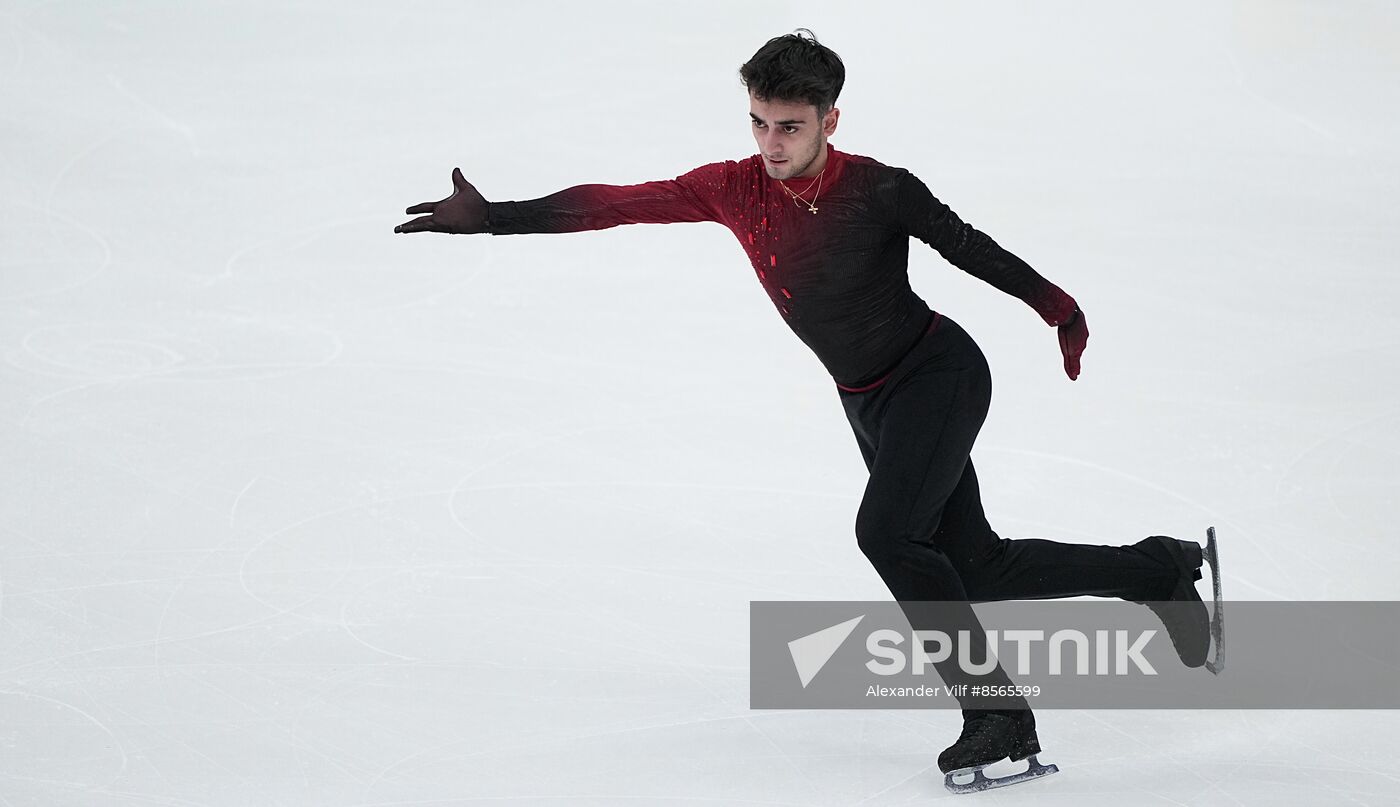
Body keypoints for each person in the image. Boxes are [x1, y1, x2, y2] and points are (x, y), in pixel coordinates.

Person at [395, 28, 1216, 794]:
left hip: (939, 374)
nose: (770, 144)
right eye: (758, 123)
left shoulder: (881, 190)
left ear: (829, 118)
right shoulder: (730, 188)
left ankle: (997, 712)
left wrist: (1056, 305)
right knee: (977, 567)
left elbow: (967, 244)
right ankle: (1157, 569)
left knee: (889, 536)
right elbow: (617, 202)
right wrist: (497, 218)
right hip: (868, 401)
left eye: (788, 126)